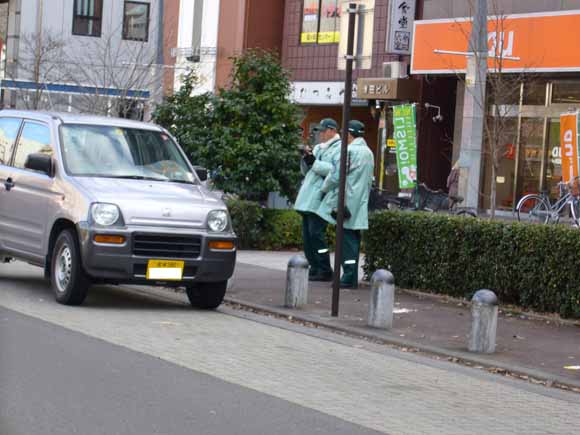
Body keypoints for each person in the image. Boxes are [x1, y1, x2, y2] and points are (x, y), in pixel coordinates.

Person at [317, 120, 374, 289]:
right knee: (353, 240)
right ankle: (351, 276)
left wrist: (324, 189)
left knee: (346, 242)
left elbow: (336, 175)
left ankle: (348, 278)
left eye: (344, 133)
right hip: (360, 201)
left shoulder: (349, 151)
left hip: (347, 201)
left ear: (349, 134)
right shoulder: (368, 152)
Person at [294, 118, 342, 282]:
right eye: (319, 131)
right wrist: (305, 158)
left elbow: (335, 171)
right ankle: (314, 267)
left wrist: (314, 162)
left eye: (323, 130)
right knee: (308, 236)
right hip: (309, 198)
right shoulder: (319, 147)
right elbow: (306, 172)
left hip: (322, 197)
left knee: (316, 234)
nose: (320, 134)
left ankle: (324, 269)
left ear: (332, 130)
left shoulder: (339, 148)